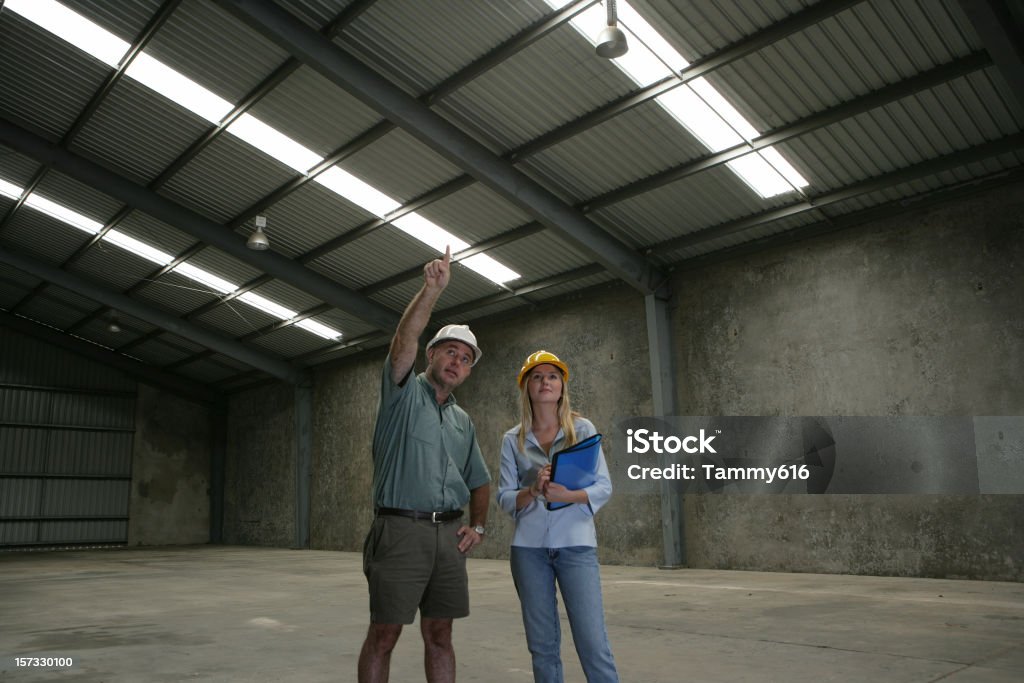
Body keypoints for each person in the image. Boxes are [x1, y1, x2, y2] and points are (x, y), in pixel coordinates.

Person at [358, 246, 491, 683]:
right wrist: (432, 290)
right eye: (450, 352)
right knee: (385, 633)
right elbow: (402, 343)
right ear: (431, 354)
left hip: (449, 537)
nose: (457, 362)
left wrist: (479, 525)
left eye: (465, 359)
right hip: (401, 532)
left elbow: (479, 480)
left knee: (441, 634)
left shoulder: (461, 420)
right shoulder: (402, 394)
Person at [498, 350, 619, 683]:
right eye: (536, 376)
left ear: (562, 386)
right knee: (543, 646)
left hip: (576, 546)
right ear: (527, 387)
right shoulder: (512, 439)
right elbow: (505, 498)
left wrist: (569, 496)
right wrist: (533, 491)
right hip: (529, 550)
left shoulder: (582, 429)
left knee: (593, 642)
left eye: (552, 376)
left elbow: (603, 487)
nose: (545, 382)